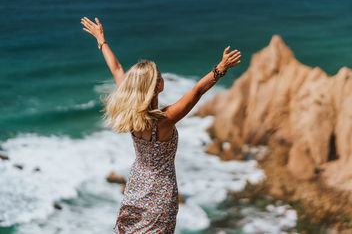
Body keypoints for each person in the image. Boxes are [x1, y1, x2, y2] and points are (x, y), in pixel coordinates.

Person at [80, 17, 242, 233]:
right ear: (157, 86)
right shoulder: (164, 120)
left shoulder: (131, 112)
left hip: (135, 189)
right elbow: (197, 92)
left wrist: (101, 40)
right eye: (160, 76)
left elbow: (117, 70)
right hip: (160, 195)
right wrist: (220, 68)